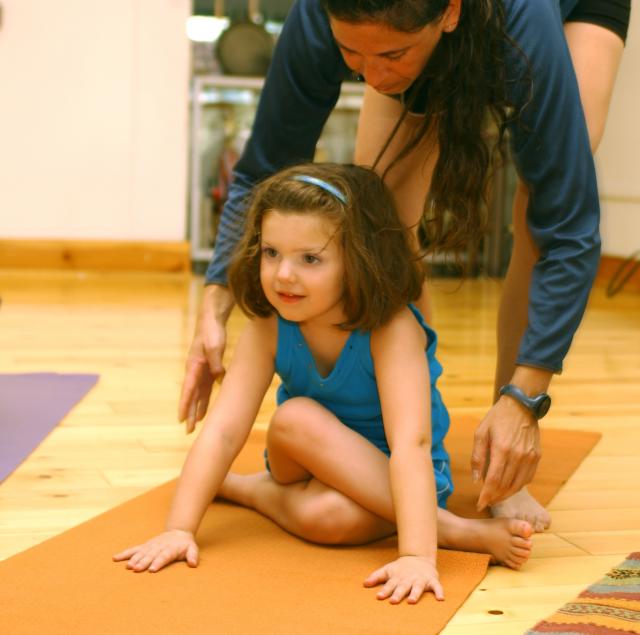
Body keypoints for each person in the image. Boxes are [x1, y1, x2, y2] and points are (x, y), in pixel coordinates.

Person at [178, 0, 631, 532]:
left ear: (449, 13)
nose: (372, 75)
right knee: (376, 228)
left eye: (391, 54)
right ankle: (398, 437)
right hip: (416, 22)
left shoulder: (523, 26)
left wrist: (525, 397)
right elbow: (265, 165)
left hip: (562, 10)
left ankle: (505, 454)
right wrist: (214, 304)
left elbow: (569, 227)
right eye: (351, 53)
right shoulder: (319, 14)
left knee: (538, 212)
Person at [115, 164, 533, 604]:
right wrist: (178, 529)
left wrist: (417, 557)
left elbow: (411, 444)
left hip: (400, 476)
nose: (283, 275)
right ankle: (453, 530)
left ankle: (249, 489)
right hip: (302, 457)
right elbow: (222, 430)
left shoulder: (392, 329)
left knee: (332, 519)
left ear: (359, 258)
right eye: (271, 252)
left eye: (310, 259)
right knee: (295, 417)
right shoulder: (269, 326)